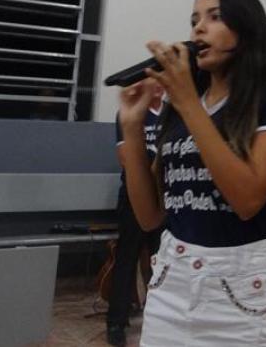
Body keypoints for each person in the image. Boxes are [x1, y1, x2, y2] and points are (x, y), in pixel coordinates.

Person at [117, 0, 266, 346]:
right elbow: (149, 216)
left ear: (247, 28)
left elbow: (248, 199)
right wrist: (131, 126)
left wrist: (188, 102)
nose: (198, 29)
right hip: (171, 284)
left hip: (241, 294)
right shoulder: (181, 107)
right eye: (194, 21)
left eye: (214, 17)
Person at [106, 82, 165, 346]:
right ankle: (116, 323)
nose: (159, 86)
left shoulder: (172, 112)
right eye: (153, 81)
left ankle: (161, 317)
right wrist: (154, 165)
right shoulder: (129, 113)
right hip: (134, 196)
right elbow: (125, 157)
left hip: (165, 198)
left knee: (162, 261)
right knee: (126, 258)